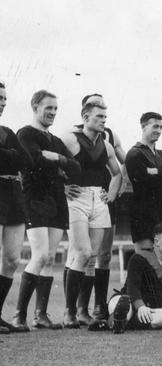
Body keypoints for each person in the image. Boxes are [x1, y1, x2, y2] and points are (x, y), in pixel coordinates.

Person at [13, 90, 81, 330]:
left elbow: (76, 168)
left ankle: (40, 315)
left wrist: (58, 159)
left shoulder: (55, 141)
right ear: (34, 107)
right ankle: (19, 315)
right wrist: (55, 162)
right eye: (48, 108)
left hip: (56, 201)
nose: (52, 112)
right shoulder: (25, 133)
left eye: (55, 109)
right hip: (35, 198)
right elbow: (33, 159)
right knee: (40, 255)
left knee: (50, 258)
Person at [64, 93, 127, 327]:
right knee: (82, 253)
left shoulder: (106, 143)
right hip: (77, 197)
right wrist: (62, 187)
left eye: (105, 116)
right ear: (85, 116)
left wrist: (110, 194)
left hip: (98, 199)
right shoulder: (71, 139)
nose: (103, 120)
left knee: (91, 257)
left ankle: (83, 311)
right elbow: (55, 165)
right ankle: (69, 312)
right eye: (99, 116)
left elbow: (118, 172)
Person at [108, 222, 162, 333]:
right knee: (121, 304)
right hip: (127, 299)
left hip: (150, 310)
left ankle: (118, 323)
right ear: (157, 242)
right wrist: (140, 306)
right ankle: (120, 318)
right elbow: (132, 287)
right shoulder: (139, 257)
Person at [125, 112, 162, 251]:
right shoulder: (134, 153)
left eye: (161, 127)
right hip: (142, 212)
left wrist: (155, 172)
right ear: (144, 127)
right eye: (155, 126)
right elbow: (143, 179)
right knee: (145, 260)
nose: (159, 130)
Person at [0, 82, 33, 333]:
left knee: (11, 259)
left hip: (12, 194)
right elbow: (16, 157)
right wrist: (10, 155)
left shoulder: (6, 131)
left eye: (4, 99)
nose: (2, 103)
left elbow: (27, 160)